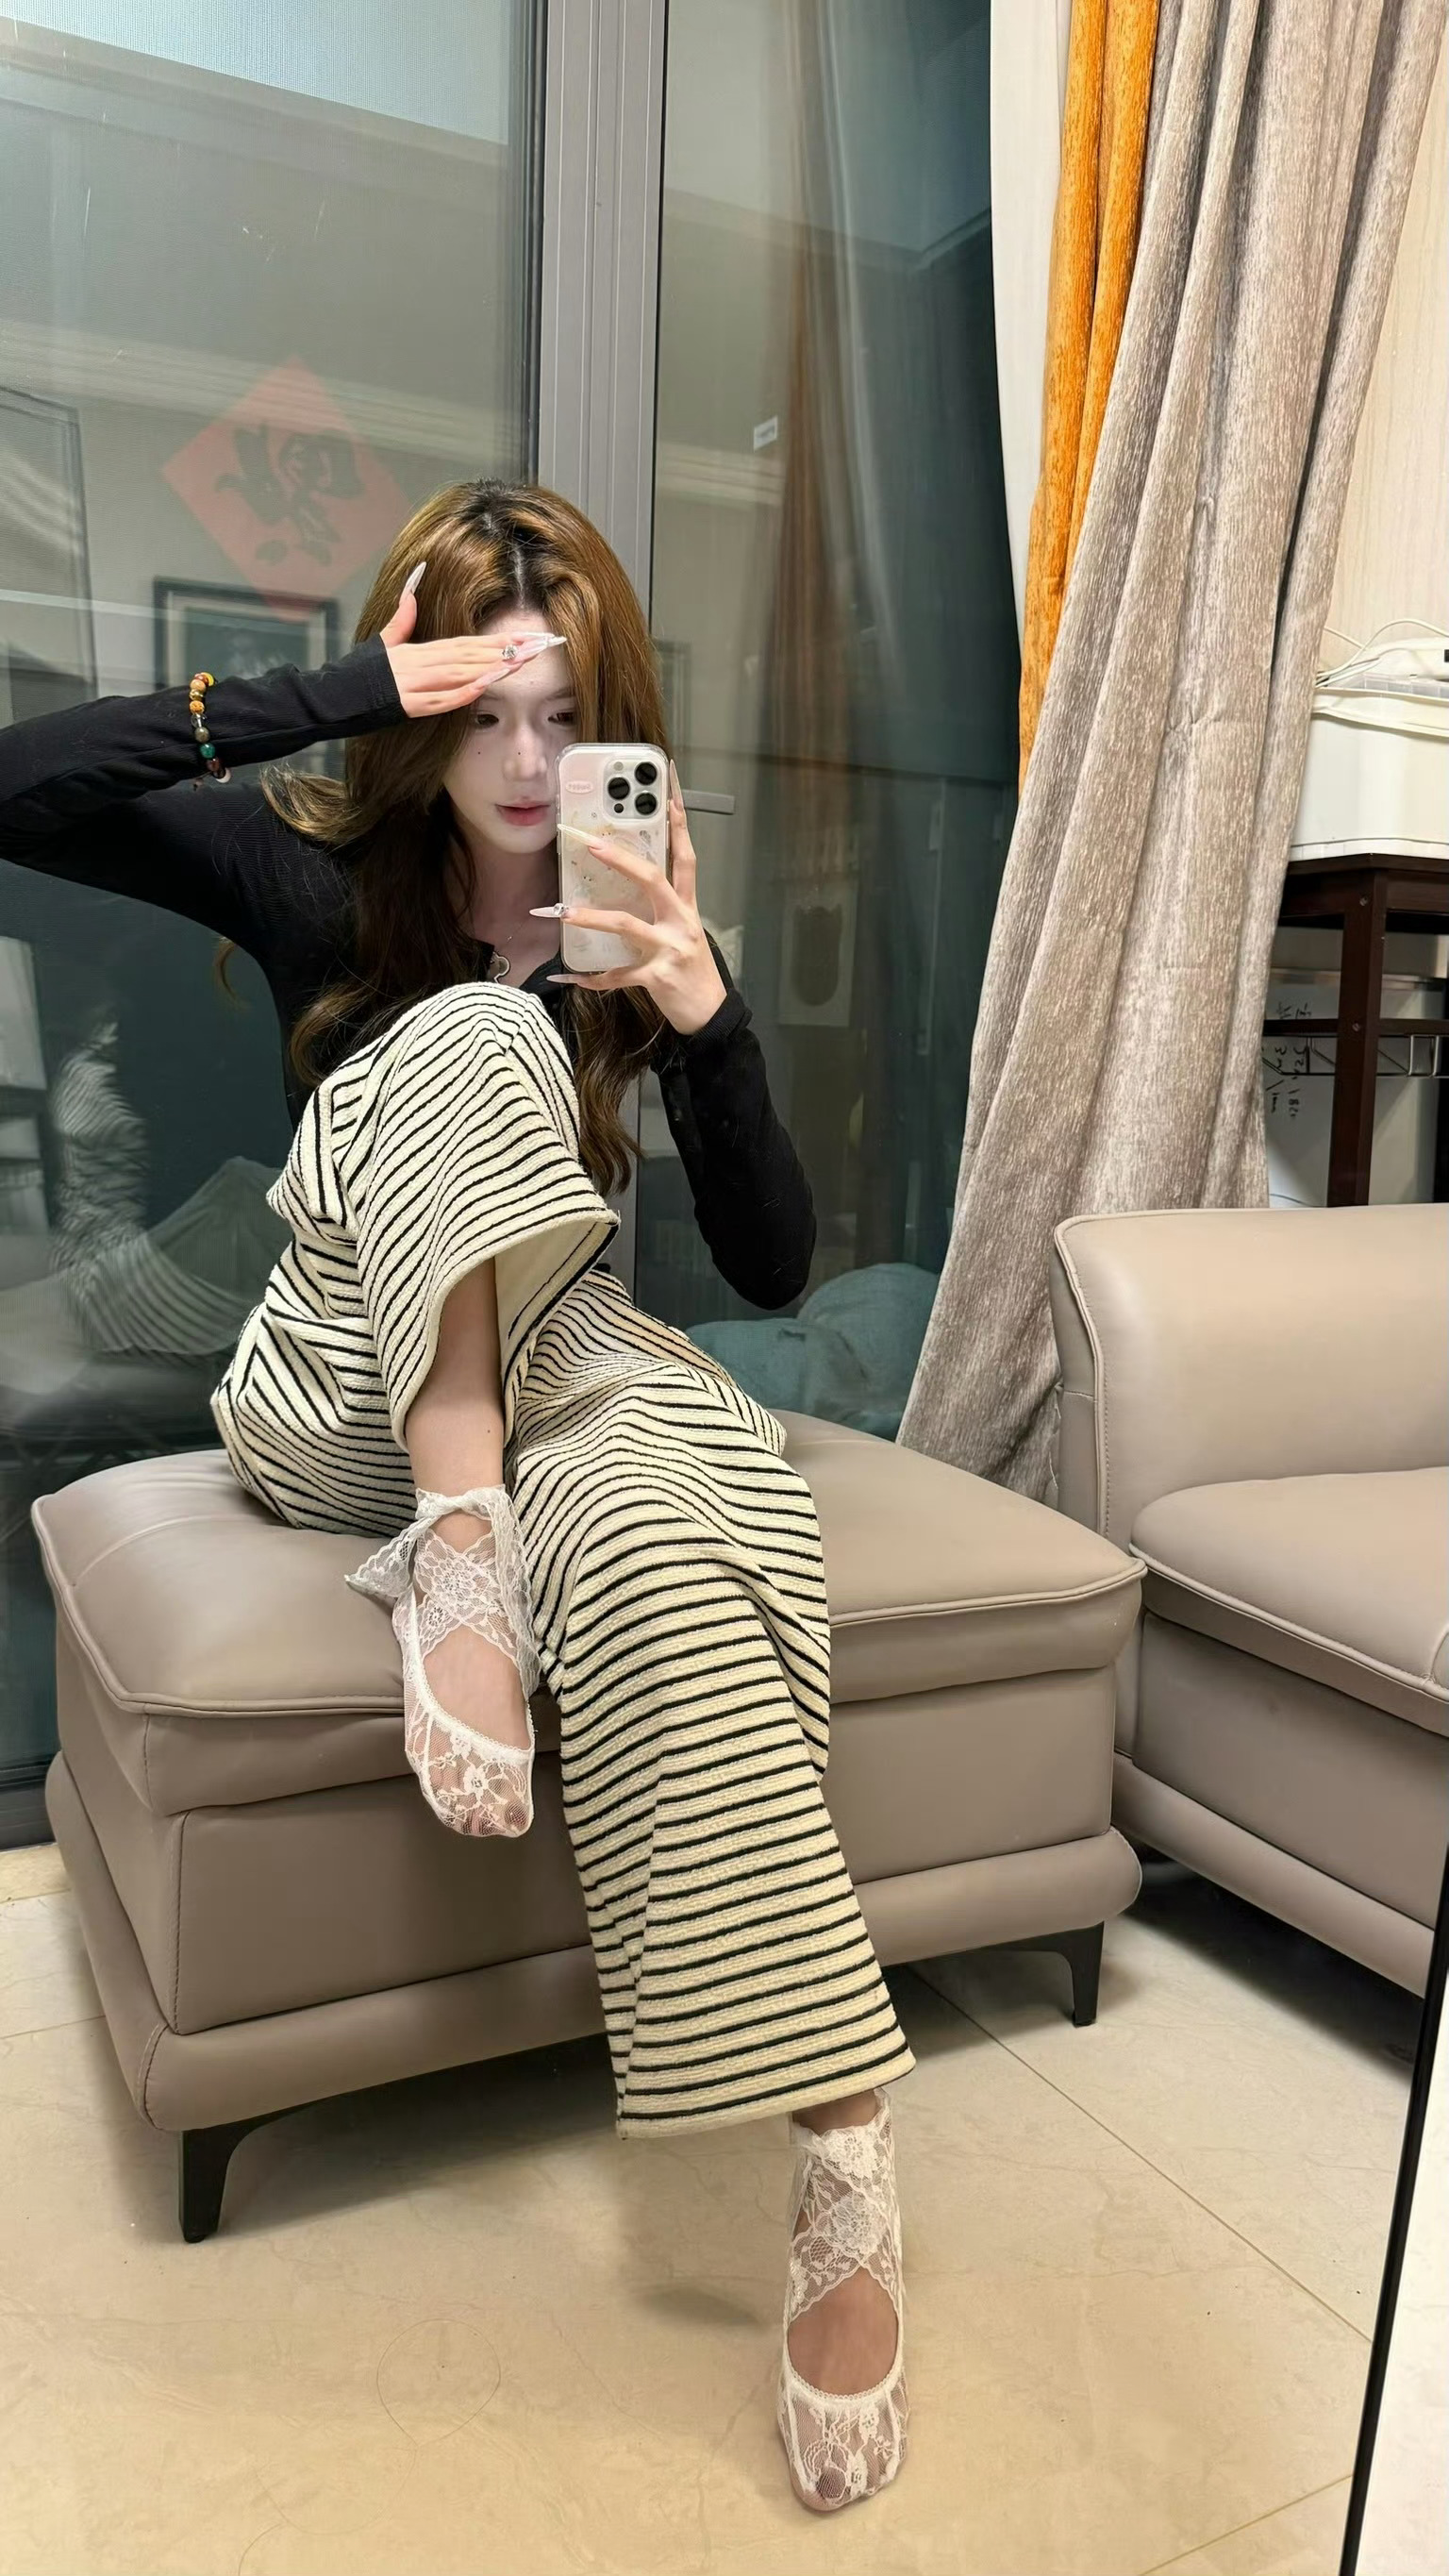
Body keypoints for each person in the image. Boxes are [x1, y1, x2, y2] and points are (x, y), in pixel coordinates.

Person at [0, 478, 914, 2513]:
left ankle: (842, 2149)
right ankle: (459, 1540)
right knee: (478, 1033)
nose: (523, 760)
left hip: (557, 1371)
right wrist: (333, 693)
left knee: (663, 1507)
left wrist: (708, 1018)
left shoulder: (630, 913)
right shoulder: (318, 862)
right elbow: (15, 785)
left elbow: (774, 1266)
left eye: (565, 713)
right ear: (424, 710)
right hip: (330, 1383)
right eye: (484, 708)